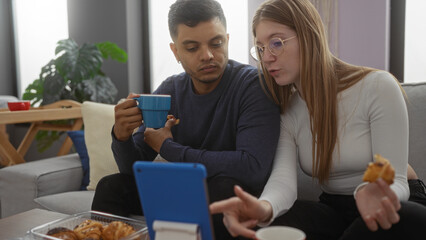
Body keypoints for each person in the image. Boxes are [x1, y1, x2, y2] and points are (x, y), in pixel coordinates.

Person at [209, 0, 426, 239]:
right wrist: (264, 208)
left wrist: (372, 189)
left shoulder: (376, 87)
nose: (267, 57)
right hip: (334, 209)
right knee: (257, 223)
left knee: (394, 221)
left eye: (276, 43)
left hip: (392, 203)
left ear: (308, 36)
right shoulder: (288, 110)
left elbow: (392, 176)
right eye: (260, 48)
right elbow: (283, 182)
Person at [91, 0, 280, 239]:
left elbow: (253, 168)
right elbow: (133, 169)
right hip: (182, 192)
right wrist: (121, 136)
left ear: (228, 40)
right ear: (175, 51)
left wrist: (168, 148)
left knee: (223, 190)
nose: (208, 55)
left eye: (216, 43)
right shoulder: (170, 90)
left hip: (229, 195)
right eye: (192, 48)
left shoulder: (253, 85)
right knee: (111, 186)